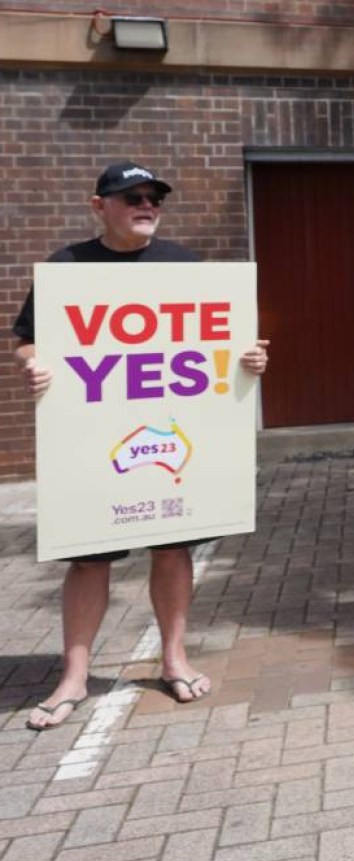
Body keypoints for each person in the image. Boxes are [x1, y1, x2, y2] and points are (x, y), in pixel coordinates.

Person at [13, 161, 270, 730]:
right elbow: (28, 342)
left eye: (154, 197)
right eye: (132, 196)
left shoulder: (183, 265)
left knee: (173, 549)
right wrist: (33, 367)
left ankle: (174, 658)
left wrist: (250, 360)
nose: (147, 204)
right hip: (97, 442)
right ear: (98, 204)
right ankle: (74, 677)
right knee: (88, 556)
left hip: (171, 440)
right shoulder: (68, 268)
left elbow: (225, 345)